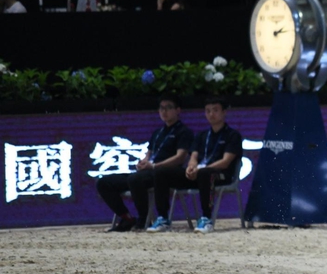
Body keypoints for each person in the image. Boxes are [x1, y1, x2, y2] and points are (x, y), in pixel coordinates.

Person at [98, 95, 194, 232]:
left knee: (135, 179)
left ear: (178, 110)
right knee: (104, 182)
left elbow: (180, 157)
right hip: (148, 171)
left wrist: (154, 166)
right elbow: (148, 155)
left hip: (165, 173)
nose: (164, 111)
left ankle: (144, 219)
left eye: (168, 108)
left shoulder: (184, 132)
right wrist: (143, 163)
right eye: (161, 108)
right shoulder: (157, 132)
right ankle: (127, 218)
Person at [148, 97, 242, 234]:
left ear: (224, 112)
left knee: (206, 174)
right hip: (199, 174)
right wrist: (191, 167)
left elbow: (225, 161)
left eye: (215, 110)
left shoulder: (233, 135)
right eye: (208, 111)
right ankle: (162, 218)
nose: (211, 114)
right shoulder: (202, 135)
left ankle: (206, 219)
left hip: (221, 175)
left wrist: (201, 169)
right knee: (162, 172)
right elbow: (193, 157)